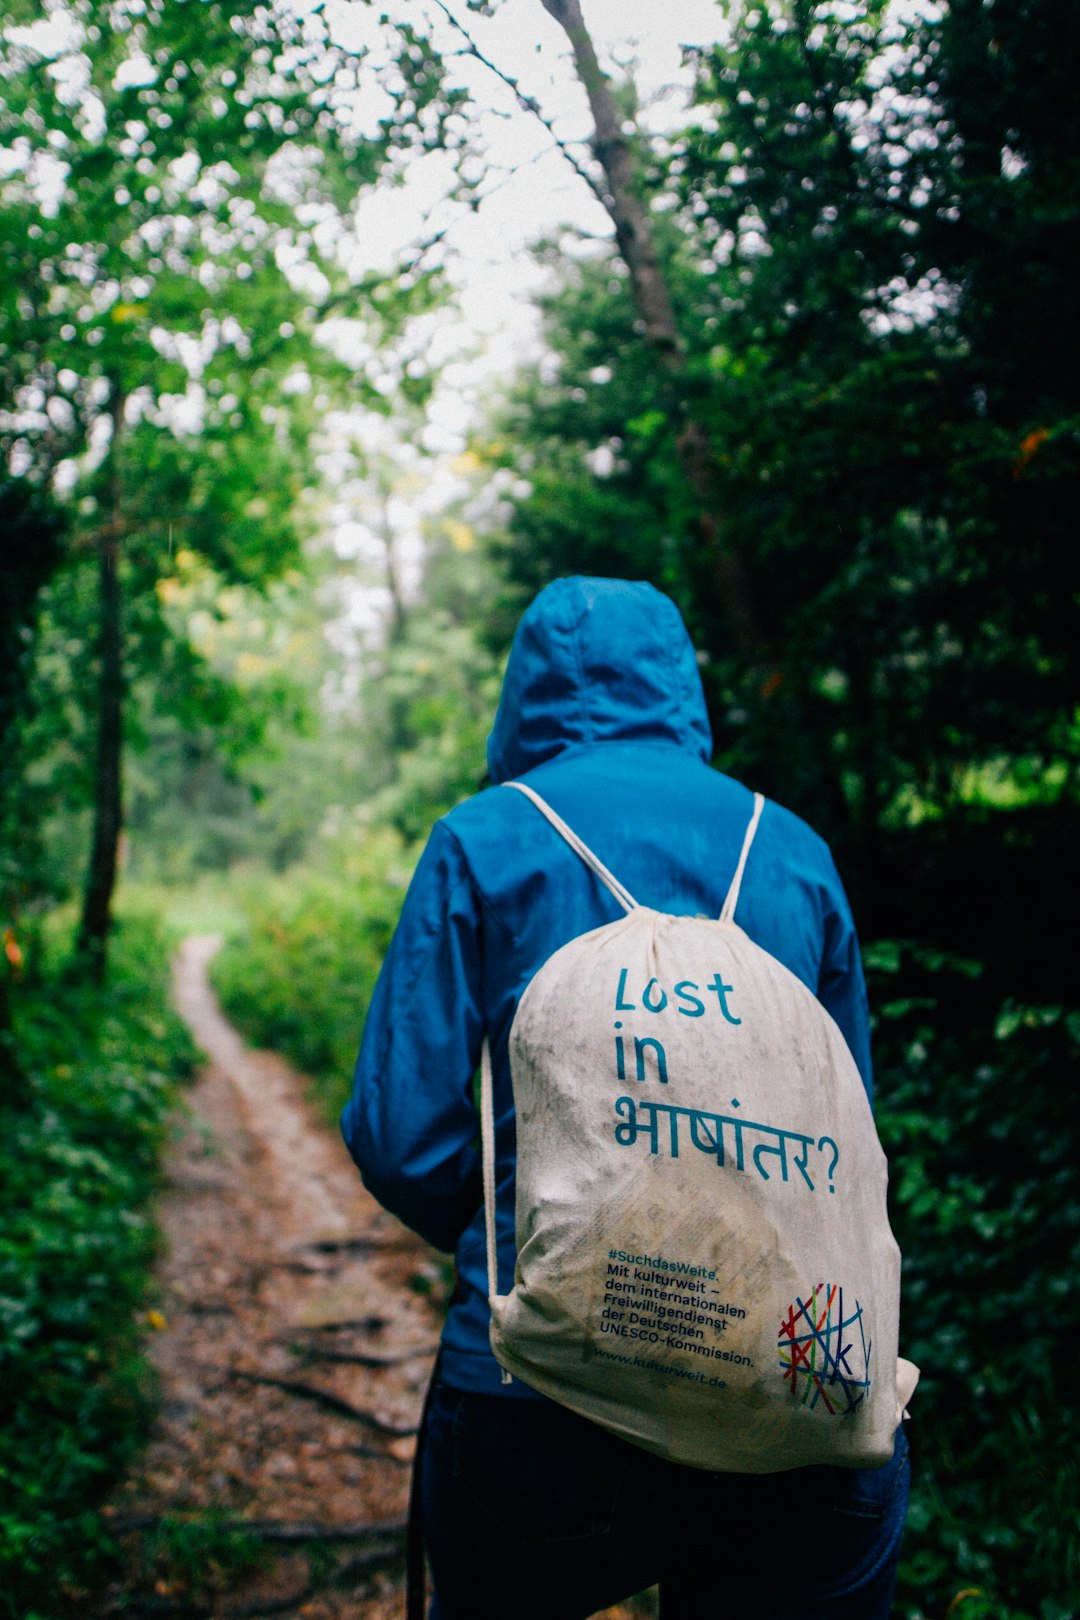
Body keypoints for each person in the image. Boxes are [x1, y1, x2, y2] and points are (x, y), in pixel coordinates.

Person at [341, 576, 909, 1619]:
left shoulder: (483, 838)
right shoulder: (793, 849)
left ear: (523, 697)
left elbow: (399, 1141)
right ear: (681, 686)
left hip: (540, 1402)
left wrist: (532, 1238)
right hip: (797, 1400)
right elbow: (851, 1139)